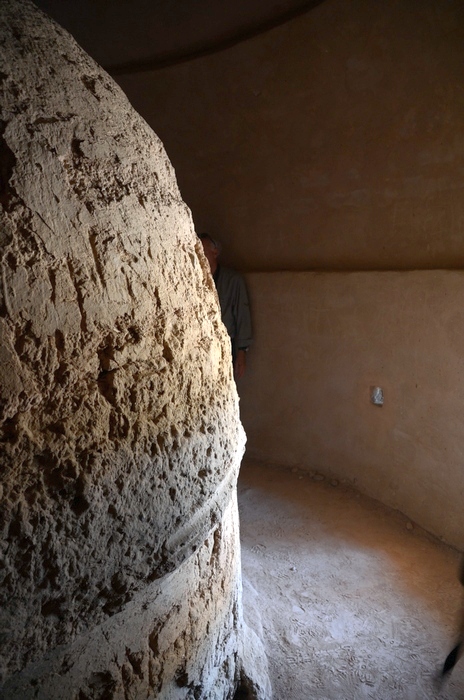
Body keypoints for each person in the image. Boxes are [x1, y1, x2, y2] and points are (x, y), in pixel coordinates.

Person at [199, 233, 252, 380]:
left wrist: (242, 351)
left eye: (204, 252)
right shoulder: (194, 281)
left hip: (226, 347)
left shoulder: (233, 281)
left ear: (215, 253)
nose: (200, 257)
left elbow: (242, 315)